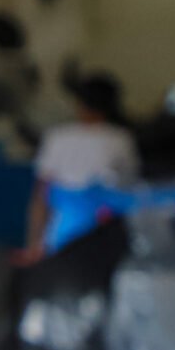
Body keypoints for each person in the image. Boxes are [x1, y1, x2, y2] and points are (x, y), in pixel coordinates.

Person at [29, 68, 139, 247]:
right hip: (103, 234)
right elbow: (128, 186)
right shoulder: (121, 139)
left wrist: (34, 242)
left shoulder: (57, 137)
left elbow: (41, 196)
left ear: (79, 103)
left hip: (61, 235)